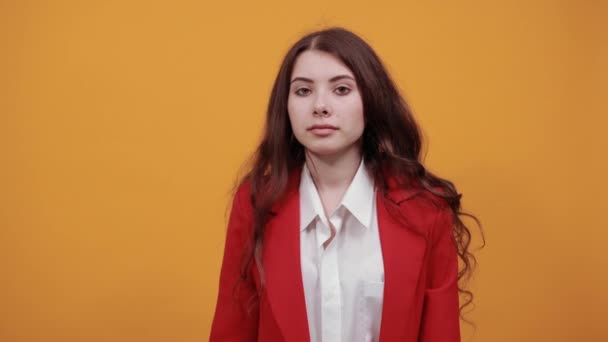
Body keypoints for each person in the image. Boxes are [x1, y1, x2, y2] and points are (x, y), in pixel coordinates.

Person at [210, 26, 484, 342]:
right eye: (303, 91)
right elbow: (231, 331)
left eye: (341, 89)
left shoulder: (425, 209)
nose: (320, 106)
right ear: (285, 107)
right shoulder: (257, 201)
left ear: (371, 100)